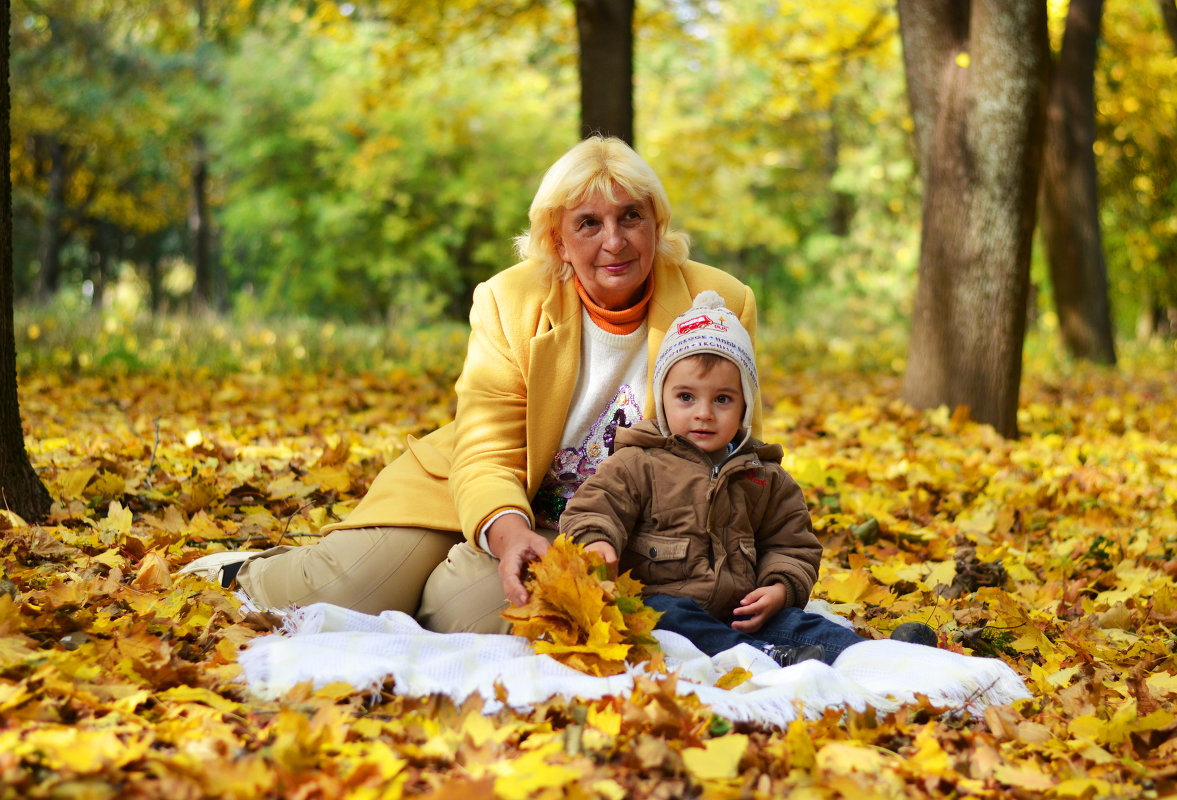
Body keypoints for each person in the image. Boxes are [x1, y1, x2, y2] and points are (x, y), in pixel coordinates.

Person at [179, 135, 762, 634]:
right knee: (343, 590)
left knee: (463, 616)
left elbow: (725, 451)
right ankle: (243, 570)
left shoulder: (719, 301)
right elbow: (485, 446)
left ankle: (439, 579)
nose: (614, 241)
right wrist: (507, 535)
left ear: (656, 223)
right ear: (558, 240)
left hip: (608, 529)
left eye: (630, 216)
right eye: (588, 223)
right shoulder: (510, 300)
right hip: (483, 489)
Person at [559, 292, 917, 666]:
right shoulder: (637, 463)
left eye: (723, 400)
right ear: (662, 396)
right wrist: (596, 542)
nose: (703, 414)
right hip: (666, 610)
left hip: (742, 615)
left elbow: (791, 545)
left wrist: (778, 590)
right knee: (665, 616)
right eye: (685, 396)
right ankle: (763, 658)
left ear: (745, 404)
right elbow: (596, 508)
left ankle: (883, 658)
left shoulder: (764, 478)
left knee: (803, 625)